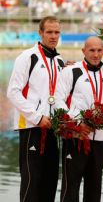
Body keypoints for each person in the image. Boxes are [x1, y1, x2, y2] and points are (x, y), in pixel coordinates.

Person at [7, 16, 63, 202]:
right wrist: (37, 117)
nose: (53, 36)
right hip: (32, 127)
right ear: (40, 33)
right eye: (49, 32)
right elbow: (13, 92)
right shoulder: (27, 57)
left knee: (50, 183)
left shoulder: (59, 61)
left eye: (56, 32)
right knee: (31, 183)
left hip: (53, 128)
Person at [55, 36, 103, 202]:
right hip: (76, 137)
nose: (95, 54)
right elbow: (58, 99)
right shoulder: (71, 71)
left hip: (99, 139)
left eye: (99, 50)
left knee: (94, 188)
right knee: (71, 187)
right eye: (91, 50)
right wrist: (76, 125)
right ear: (83, 51)